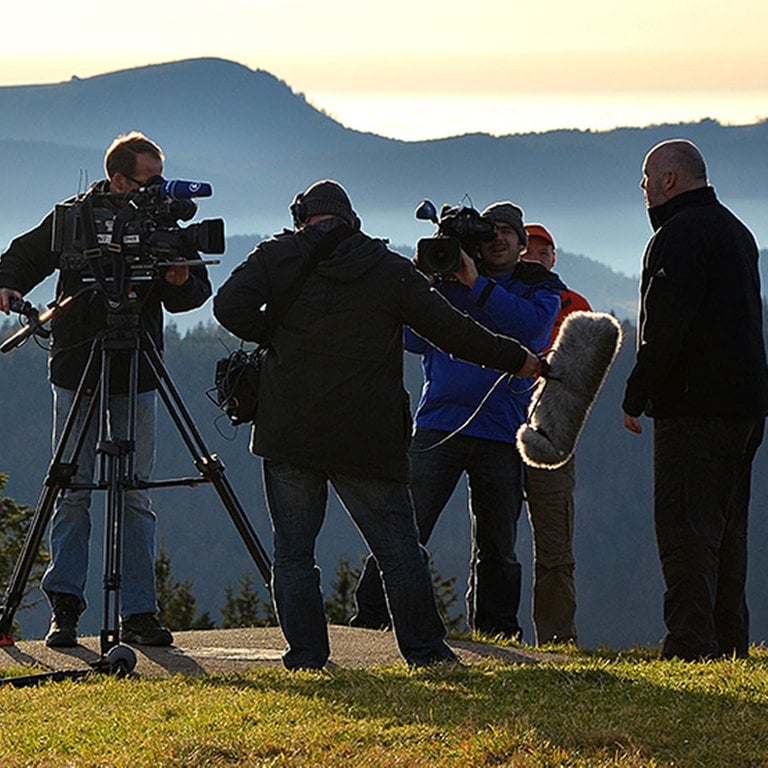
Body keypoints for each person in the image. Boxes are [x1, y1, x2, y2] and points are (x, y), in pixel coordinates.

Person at [213, 180, 544, 670]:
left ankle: (306, 656)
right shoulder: (388, 269)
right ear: (352, 220)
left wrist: (281, 337)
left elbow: (227, 306)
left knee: (294, 552)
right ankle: (426, 652)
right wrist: (515, 358)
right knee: (399, 551)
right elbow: (451, 332)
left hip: (289, 428)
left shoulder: (275, 256)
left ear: (303, 216)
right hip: (365, 433)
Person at [0, 131, 212, 648]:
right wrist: (7, 284)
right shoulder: (74, 218)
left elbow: (195, 292)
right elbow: (23, 256)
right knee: (72, 490)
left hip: (137, 368)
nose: (158, 189)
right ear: (117, 178)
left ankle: (140, 612)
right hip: (78, 366)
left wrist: (181, 279)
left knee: (136, 492)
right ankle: (65, 608)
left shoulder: (161, 223)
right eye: (149, 179)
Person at [352, 201, 564, 640]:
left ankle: (498, 631)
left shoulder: (537, 285)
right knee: (404, 528)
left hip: (502, 428)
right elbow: (409, 338)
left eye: (509, 232)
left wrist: (476, 286)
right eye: (492, 233)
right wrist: (422, 284)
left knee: (498, 544)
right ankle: (370, 617)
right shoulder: (445, 281)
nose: (500, 239)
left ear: (523, 244)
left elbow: (534, 332)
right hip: (440, 423)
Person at [622, 139, 768, 661]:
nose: (642, 192)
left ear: (668, 181)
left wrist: (635, 394)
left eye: (645, 180)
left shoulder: (678, 236)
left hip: (694, 405)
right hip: (747, 406)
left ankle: (689, 643)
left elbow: (667, 326)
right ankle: (729, 642)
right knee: (728, 529)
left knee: (685, 527)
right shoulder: (737, 231)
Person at [521, 222, 591, 646]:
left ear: (553, 258)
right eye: (527, 250)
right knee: (493, 543)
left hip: (551, 432)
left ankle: (558, 641)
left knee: (554, 545)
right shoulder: (505, 298)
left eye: (542, 251)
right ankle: (494, 634)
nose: (535, 256)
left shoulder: (574, 304)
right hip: (501, 423)